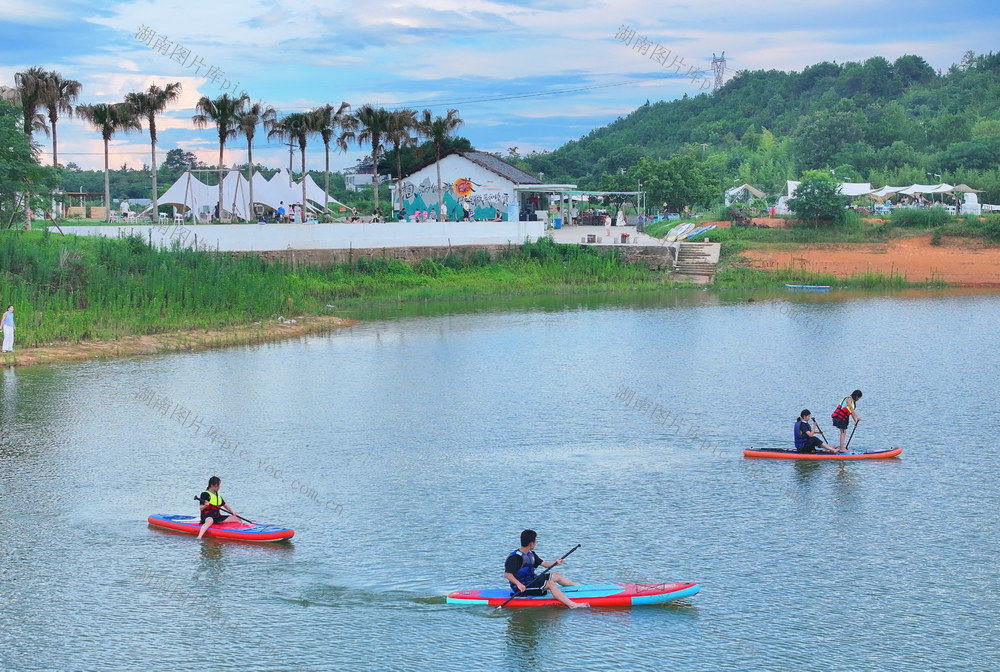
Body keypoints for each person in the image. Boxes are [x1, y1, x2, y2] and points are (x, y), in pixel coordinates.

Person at [504, 529, 589, 609]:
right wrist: (519, 584)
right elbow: (507, 574)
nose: (536, 542)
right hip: (523, 587)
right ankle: (572, 605)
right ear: (531, 543)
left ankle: (582, 589)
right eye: (535, 541)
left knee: (556, 575)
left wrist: (555, 563)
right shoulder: (515, 557)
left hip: (531, 580)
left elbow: (543, 563)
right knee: (550, 584)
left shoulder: (531, 554)